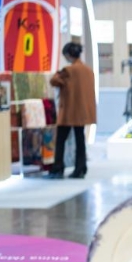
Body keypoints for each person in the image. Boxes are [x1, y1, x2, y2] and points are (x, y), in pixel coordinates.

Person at [48, 42, 96, 179]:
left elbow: (53, 81)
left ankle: (58, 168)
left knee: (60, 139)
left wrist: (58, 73)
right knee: (80, 140)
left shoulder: (68, 71)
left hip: (69, 112)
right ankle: (81, 168)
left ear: (68, 55)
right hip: (83, 111)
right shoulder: (88, 70)